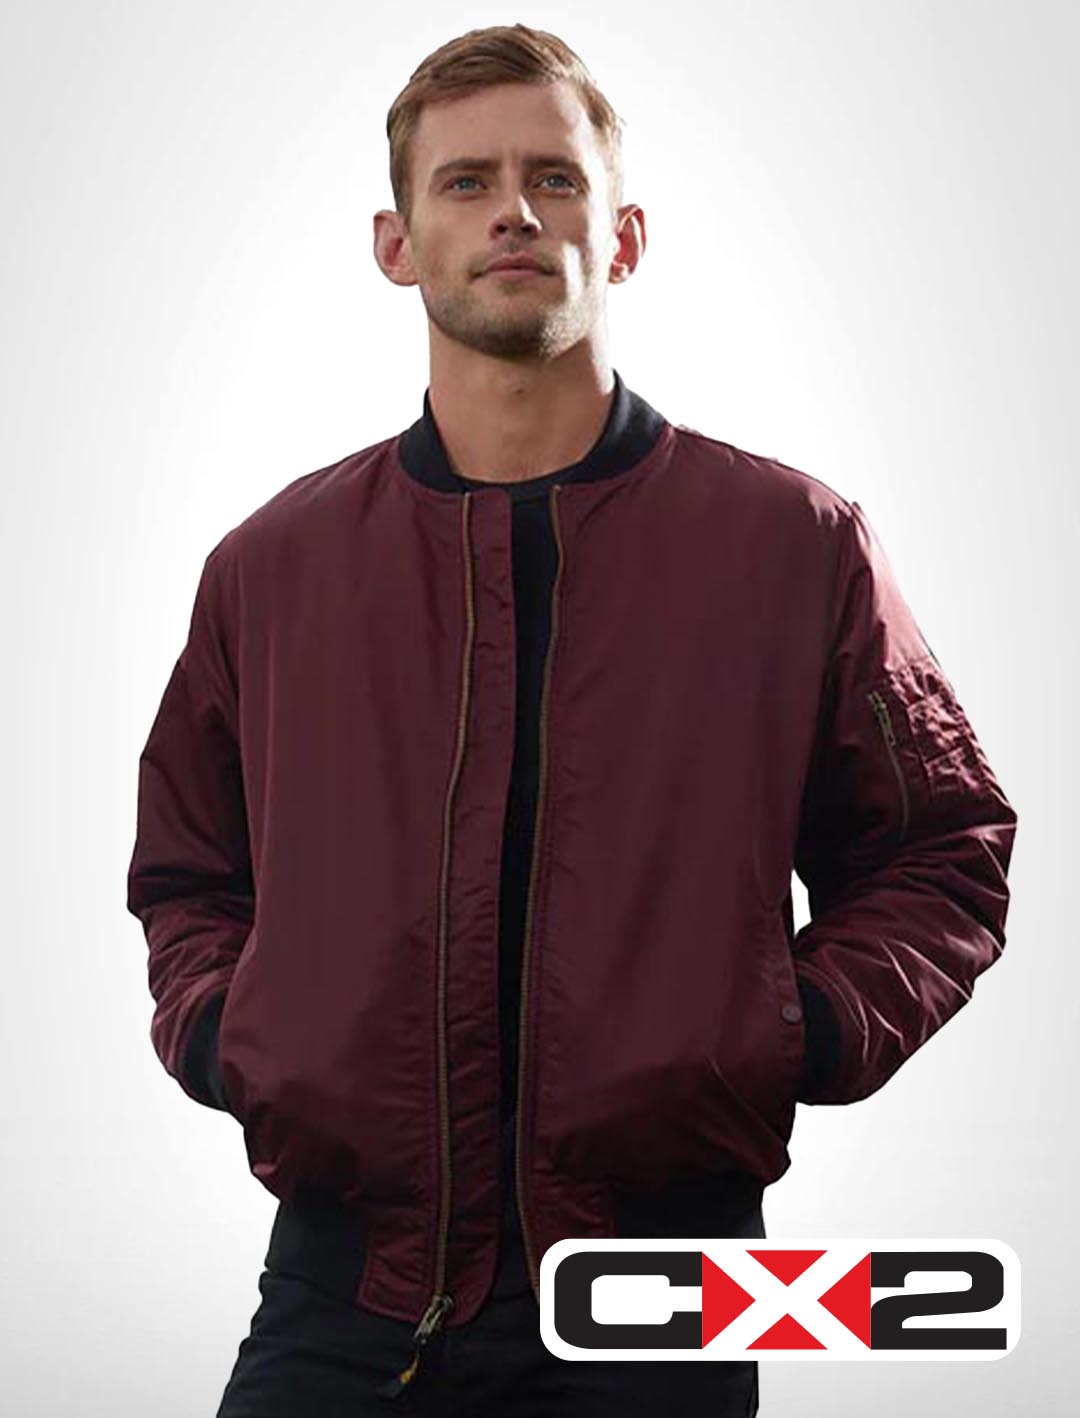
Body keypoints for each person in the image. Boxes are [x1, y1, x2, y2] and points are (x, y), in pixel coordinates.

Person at [125, 22, 1018, 1417]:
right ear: (396, 243)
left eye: (554, 178)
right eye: (467, 182)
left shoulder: (791, 545)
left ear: (626, 236)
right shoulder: (272, 569)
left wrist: (806, 1028)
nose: (515, 213)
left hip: (669, 1285)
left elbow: (942, 844)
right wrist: (229, 1029)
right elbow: (189, 866)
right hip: (340, 1292)